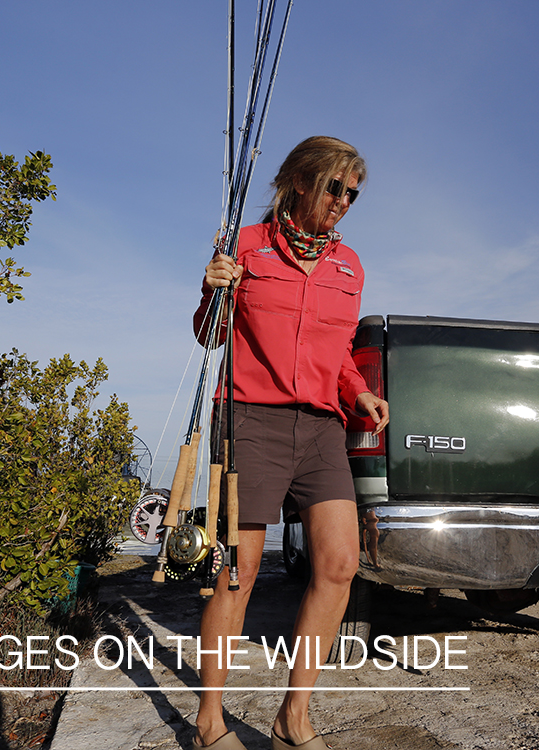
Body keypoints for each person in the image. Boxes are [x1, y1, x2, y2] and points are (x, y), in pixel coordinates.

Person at [191, 136, 388, 750]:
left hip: (322, 429)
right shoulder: (246, 246)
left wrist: (357, 390)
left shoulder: (349, 265)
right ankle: (208, 722)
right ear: (300, 182)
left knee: (339, 563)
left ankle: (291, 719)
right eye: (335, 187)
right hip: (251, 420)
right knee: (237, 574)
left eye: (353, 193)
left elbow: (337, 355)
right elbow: (208, 337)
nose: (344, 201)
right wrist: (211, 289)